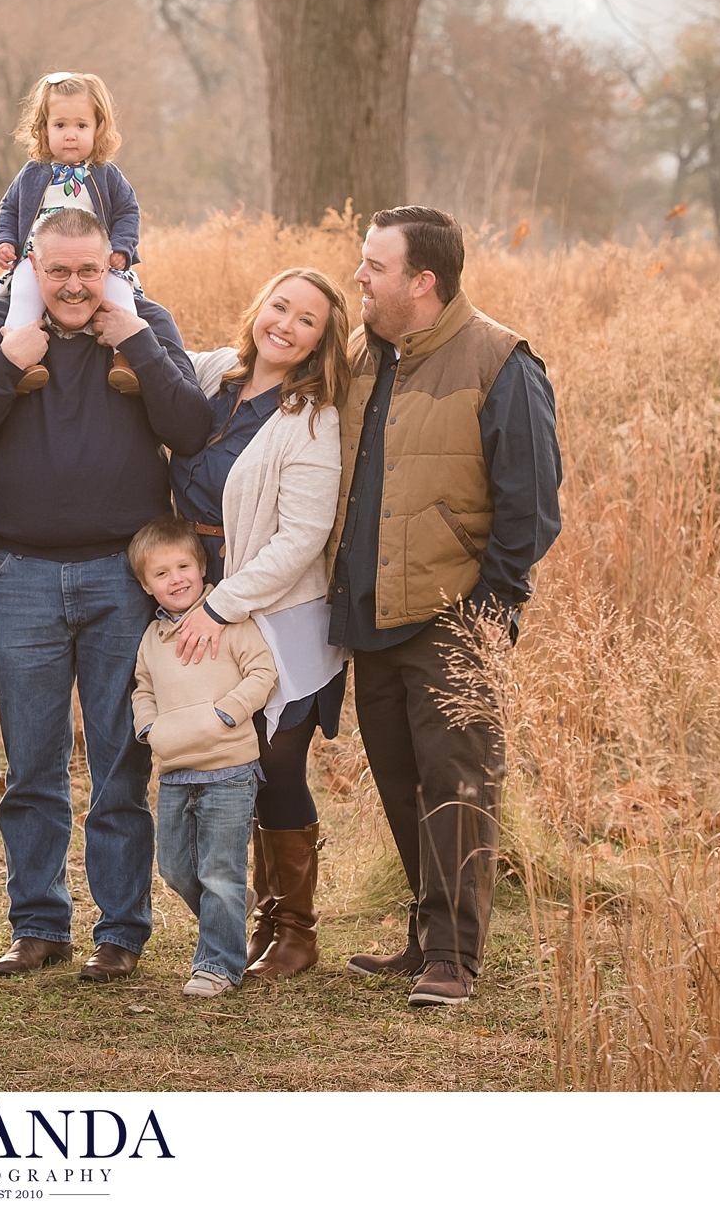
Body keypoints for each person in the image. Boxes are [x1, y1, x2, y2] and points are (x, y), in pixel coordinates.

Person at [0, 206, 215, 983]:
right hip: (19, 577)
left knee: (122, 762)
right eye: (58, 271)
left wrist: (138, 345)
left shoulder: (143, 321)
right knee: (33, 764)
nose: (74, 285)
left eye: (90, 270)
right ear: (31, 265)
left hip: (121, 579)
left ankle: (120, 929)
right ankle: (39, 923)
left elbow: (190, 426)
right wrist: (4, 362)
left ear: (112, 266)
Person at [326, 208, 563, 1009]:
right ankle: (424, 938)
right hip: (370, 615)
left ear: (422, 282)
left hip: (452, 618)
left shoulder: (500, 360)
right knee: (400, 782)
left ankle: (455, 961)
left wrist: (488, 617)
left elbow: (530, 508)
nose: (359, 276)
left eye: (373, 265)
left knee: (458, 787)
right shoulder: (362, 355)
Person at [166, 265, 351, 979]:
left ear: (320, 341)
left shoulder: (312, 416)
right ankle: (257, 923)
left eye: (307, 320)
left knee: (276, 762)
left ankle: (295, 931)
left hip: (274, 610)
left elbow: (300, 538)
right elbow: (147, 353)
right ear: (259, 308)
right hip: (198, 595)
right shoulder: (214, 374)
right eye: (280, 307)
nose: (287, 325)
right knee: (233, 761)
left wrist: (221, 603)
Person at [128, 517, 279, 999]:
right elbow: (143, 690)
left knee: (218, 871)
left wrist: (227, 713)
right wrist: (148, 728)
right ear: (146, 586)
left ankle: (217, 965)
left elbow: (262, 672)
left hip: (229, 768)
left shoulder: (230, 621)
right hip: (174, 770)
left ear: (201, 565)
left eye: (183, 565)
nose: (176, 578)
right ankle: (232, 908)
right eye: (161, 573)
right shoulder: (153, 639)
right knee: (174, 868)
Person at [0, 72, 142, 371]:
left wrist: (122, 247)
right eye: (60, 125)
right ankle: (21, 361)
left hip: (97, 262)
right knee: (23, 296)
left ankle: (124, 359)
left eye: (81, 125)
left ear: (98, 129)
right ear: (43, 129)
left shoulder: (105, 174)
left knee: (121, 297)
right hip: (38, 261)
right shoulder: (32, 174)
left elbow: (128, 211)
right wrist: (5, 241)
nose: (70, 134)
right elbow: (9, 208)